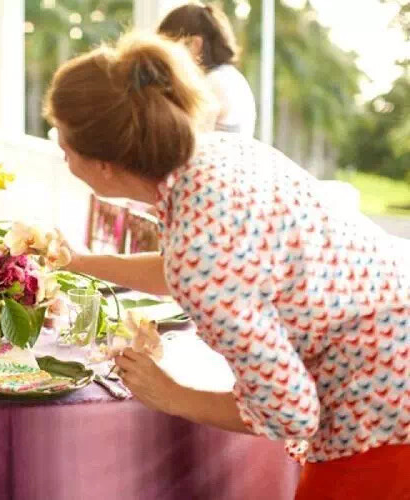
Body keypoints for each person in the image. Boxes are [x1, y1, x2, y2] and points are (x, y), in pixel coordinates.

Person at [43, 32, 409, 499]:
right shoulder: (214, 155)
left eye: (65, 143)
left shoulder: (201, 248)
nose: (62, 154)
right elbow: (196, 268)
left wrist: (170, 395)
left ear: (105, 166)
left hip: (384, 413)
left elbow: (291, 413)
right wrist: (80, 261)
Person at [158, 2, 257, 136]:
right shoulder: (229, 76)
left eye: (168, 48)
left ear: (195, 44)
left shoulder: (215, 83)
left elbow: (191, 140)